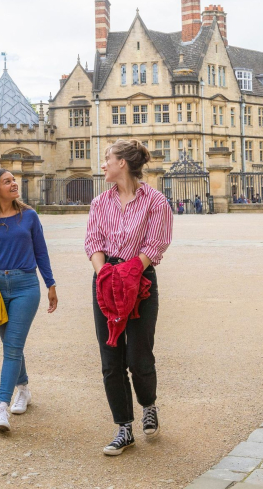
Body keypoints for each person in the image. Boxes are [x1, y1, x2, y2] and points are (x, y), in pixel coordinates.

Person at [85, 139, 173, 456]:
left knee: (138, 356)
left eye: (107, 158)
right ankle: (124, 428)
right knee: (111, 360)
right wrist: (103, 275)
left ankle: (148, 404)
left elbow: (157, 243)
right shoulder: (99, 203)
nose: (104, 163)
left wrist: (132, 270)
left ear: (123, 162)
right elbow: (93, 241)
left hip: (141, 280)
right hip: (107, 280)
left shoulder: (156, 201)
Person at [0, 169, 58, 431]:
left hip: (25, 286)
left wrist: (50, 284)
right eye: (7, 181)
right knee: (12, 345)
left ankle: (1, 407)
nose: (14, 184)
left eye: (13, 180)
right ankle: (23, 389)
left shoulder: (29, 216)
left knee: (12, 347)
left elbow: (41, 252)